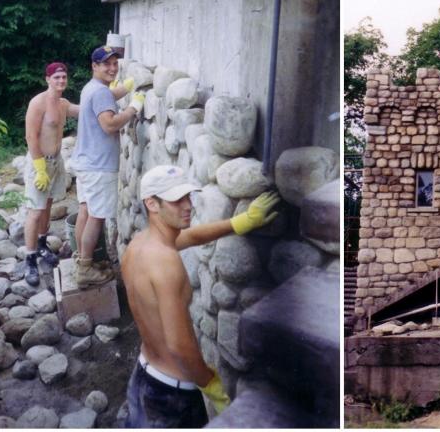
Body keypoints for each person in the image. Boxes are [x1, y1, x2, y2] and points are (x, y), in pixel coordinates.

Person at [121, 165, 280, 428]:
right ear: (152, 203)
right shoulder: (166, 263)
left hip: (143, 375)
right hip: (170, 396)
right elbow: (179, 346)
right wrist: (210, 383)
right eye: (176, 200)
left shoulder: (140, 245)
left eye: (188, 197)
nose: (187, 206)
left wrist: (240, 222)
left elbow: (192, 235)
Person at [69, 45, 141, 288]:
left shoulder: (92, 88)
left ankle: (82, 260)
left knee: (85, 212)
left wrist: (128, 87)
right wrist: (133, 108)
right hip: (99, 165)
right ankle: (86, 269)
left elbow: (108, 97)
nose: (112, 68)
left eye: (114, 63)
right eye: (106, 64)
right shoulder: (101, 92)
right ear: (94, 66)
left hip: (86, 162)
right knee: (97, 217)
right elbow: (109, 125)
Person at [21, 62, 81, 286]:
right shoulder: (38, 103)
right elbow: (30, 136)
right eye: (56, 78)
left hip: (56, 162)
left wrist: (111, 90)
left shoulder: (63, 103)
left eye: (64, 77)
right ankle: (30, 259)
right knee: (34, 212)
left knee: (47, 206)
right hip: (40, 163)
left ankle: (42, 244)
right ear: (47, 79)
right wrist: (39, 169)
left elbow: (86, 109)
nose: (61, 81)